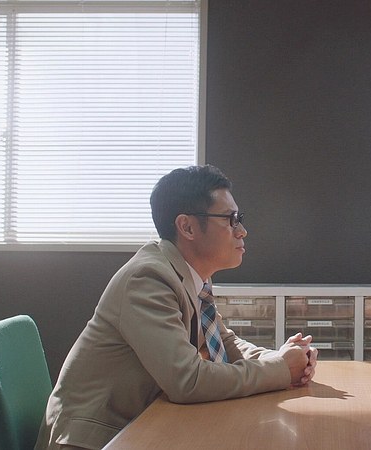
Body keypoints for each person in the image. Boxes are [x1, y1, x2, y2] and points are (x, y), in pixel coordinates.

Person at [36, 165, 318, 450]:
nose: (242, 231)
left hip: (143, 426)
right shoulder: (148, 278)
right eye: (230, 220)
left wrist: (281, 357)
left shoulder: (191, 274)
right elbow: (188, 380)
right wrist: (280, 369)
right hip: (94, 440)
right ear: (187, 227)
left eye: (239, 219)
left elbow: (224, 343)